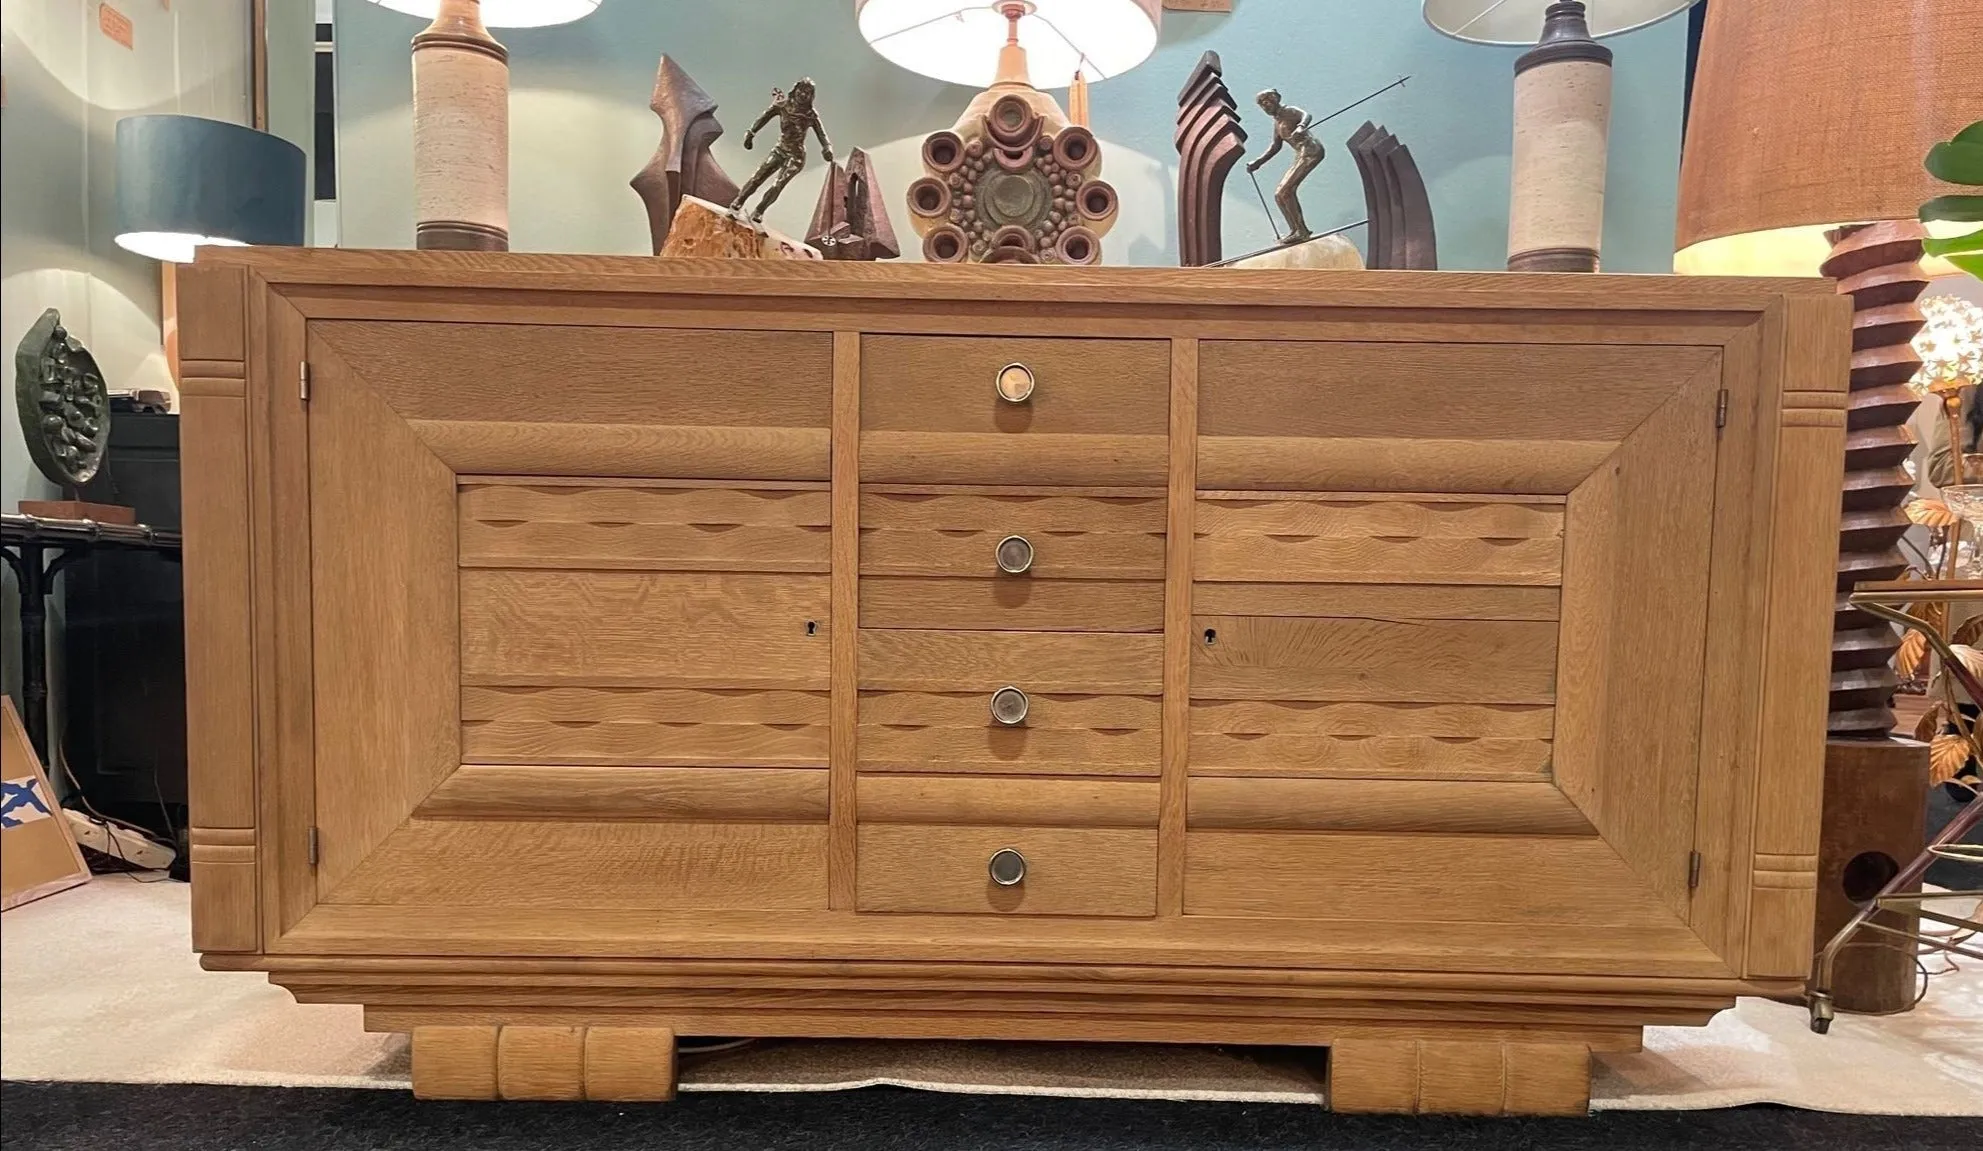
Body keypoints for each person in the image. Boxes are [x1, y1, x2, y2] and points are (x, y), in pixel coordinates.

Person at [1246, 89, 1323, 243]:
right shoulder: (1278, 123)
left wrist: (1301, 126)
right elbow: (1275, 146)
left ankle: (1301, 231)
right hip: (1301, 154)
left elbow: (1306, 115)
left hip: (1311, 151)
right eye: (1262, 103)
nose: (1265, 105)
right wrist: (1258, 162)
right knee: (1279, 195)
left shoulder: (1289, 111)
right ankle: (1296, 230)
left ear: (1277, 98)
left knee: (1285, 191)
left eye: (1267, 100)